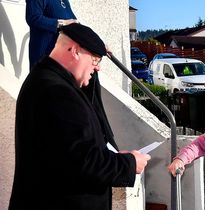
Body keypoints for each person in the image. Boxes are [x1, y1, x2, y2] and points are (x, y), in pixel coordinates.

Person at [9, 23, 151, 210]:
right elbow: (82, 162)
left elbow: (69, 151)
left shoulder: (47, 81)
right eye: (95, 59)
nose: (97, 68)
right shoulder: (57, 92)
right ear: (75, 51)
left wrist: (111, 157)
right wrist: (129, 164)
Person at [26, 0, 78, 69]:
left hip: (61, 54)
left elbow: (70, 18)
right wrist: (62, 23)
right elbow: (33, 18)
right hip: (44, 54)